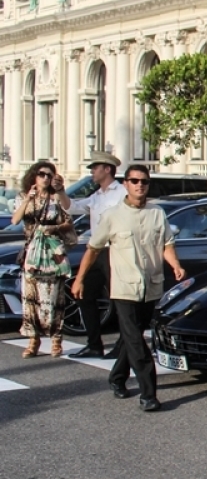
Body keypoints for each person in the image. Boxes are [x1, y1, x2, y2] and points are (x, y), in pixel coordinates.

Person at [72, 164, 184, 411]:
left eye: (144, 181)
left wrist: (175, 264)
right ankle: (148, 394)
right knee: (136, 340)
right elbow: (93, 249)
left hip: (151, 286)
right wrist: (79, 279)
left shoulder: (157, 213)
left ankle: (117, 377)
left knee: (129, 336)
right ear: (126, 184)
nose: (139, 185)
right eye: (134, 181)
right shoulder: (112, 215)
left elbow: (167, 243)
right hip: (123, 286)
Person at [63, 151, 126, 358]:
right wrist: (59, 191)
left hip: (115, 250)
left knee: (119, 299)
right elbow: (72, 207)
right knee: (84, 293)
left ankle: (123, 344)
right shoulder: (96, 196)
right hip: (97, 250)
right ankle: (94, 343)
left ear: (107, 169)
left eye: (95, 168)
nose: (91, 171)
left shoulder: (121, 192)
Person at [12, 161, 75, 358]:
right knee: (31, 299)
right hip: (32, 253)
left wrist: (54, 228)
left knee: (54, 297)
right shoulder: (24, 197)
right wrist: (27, 200)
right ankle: (33, 341)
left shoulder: (56, 198)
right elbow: (15, 220)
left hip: (53, 253)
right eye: (42, 174)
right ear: (34, 176)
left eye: (49, 175)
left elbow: (69, 217)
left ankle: (56, 340)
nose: (46, 178)